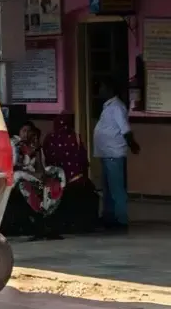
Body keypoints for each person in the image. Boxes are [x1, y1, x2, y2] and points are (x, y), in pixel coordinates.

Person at [93, 79, 140, 230]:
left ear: (110, 89)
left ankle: (120, 219)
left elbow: (125, 129)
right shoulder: (108, 106)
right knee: (107, 189)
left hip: (114, 154)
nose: (100, 90)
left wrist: (133, 144)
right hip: (107, 154)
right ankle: (109, 216)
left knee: (117, 189)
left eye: (103, 87)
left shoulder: (117, 107)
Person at [11, 122, 67, 240]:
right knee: (24, 181)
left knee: (50, 182)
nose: (26, 134)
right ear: (19, 132)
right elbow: (14, 166)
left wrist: (36, 150)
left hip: (35, 179)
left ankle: (46, 222)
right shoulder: (14, 144)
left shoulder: (35, 146)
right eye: (24, 130)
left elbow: (40, 170)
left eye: (29, 131)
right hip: (19, 177)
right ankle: (40, 225)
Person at [43, 115, 98, 233]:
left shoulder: (50, 138)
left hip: (59, 180)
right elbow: (84, 161)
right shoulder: (75, 137)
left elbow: (48, 160)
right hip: (75, 179)